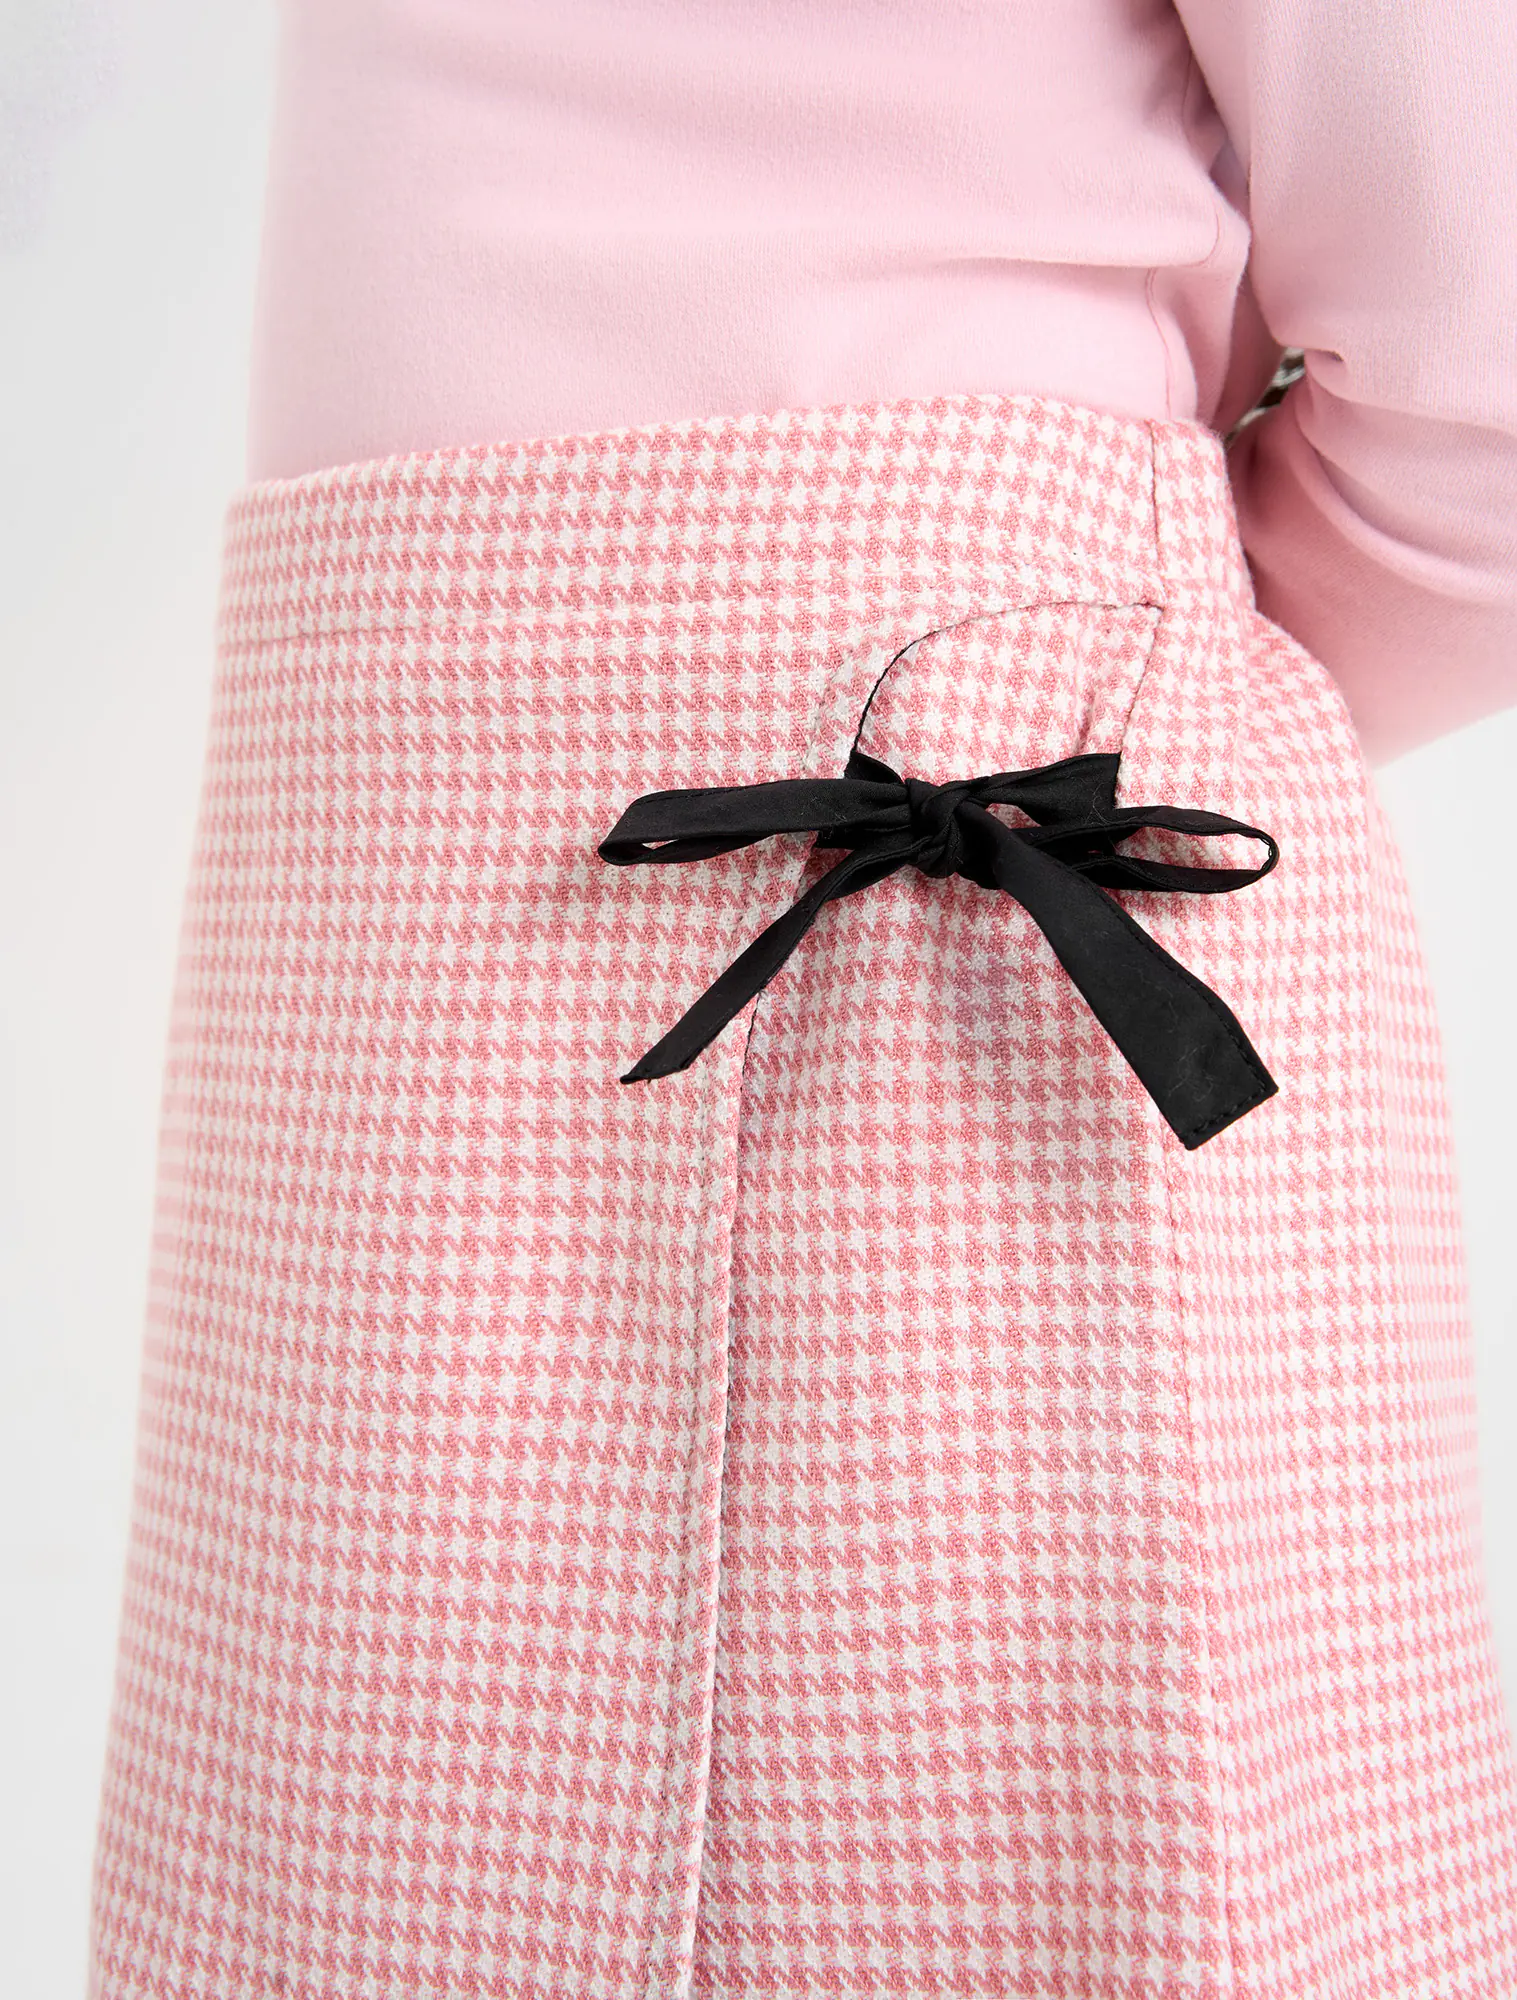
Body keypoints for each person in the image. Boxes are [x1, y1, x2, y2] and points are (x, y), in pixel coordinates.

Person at [87, 4, 1517, 1996]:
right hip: (377, 861)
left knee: (1012, 1880)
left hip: (955, 928)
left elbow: (1482, 378)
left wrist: (1116, 669)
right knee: (361, 1869)